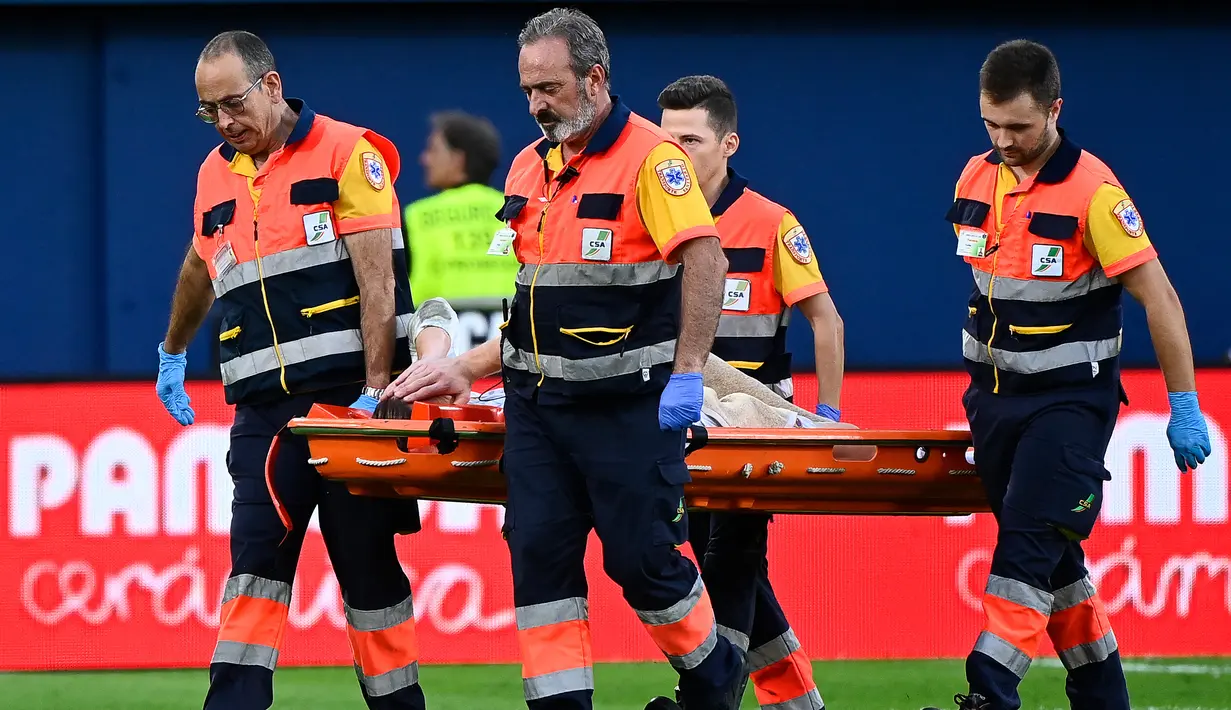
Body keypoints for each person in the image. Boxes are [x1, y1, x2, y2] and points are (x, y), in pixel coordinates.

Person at [381, 8, 747, 710]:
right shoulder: (527, 166)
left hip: (628, 408)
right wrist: (466, 367)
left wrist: (690, 371)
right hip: (538, 411)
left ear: (595, 78)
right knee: (540, 569)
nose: (534, 104)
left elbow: (705, 259)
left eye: (547, 88)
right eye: (526, 91)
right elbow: (528, 305)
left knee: (642, 564)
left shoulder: (651, 159)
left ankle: (713, 672)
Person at [153, 30, 445, 710]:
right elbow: (201, 264)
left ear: (272, 85)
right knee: (254, 569)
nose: (225, 122)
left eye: (233, 103)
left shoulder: (349, 153)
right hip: (263, 417)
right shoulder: (213, 173)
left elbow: (379, 284)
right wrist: (172, 349)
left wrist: (377, 394)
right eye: (208, 111)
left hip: (350, 411)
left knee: (370, 574)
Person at [927, 39, 1212, 710]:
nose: (1004, 140)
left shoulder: (1095, 193)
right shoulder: (973, 177)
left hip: (1068, 406)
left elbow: (1160, 300)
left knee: (1025, 547)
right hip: (991, 401)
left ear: (1054, 110)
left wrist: (1184, 404)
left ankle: (988, 694)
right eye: (991, 124)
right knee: (1057, 567)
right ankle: (1102, 696)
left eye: (1019, 127)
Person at [655, 74, 838, 710]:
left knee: (730, 557)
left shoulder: (770, 223)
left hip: (754, 422)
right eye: (667, 138)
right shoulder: (654, 214)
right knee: (731, 569)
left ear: (729, 143)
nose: (676, 153)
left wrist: (825, 415)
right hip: (684, 416)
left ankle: (709, 698)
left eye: (691, 139)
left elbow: (827, 322)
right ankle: (796, 701)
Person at [404, 110, 519, 313]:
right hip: (509, 339)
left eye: (433, 150)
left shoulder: (416, 216)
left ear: (458, 159)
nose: (425, 159)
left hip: (437, 338)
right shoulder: (518, 212)